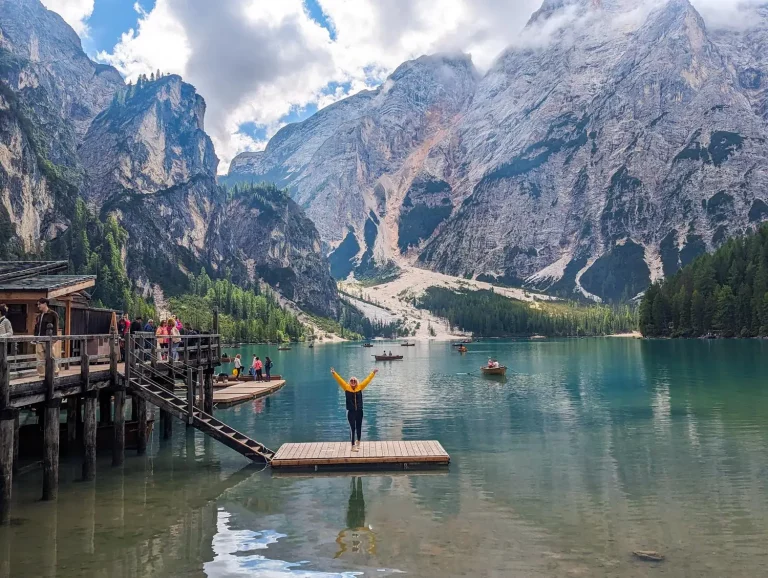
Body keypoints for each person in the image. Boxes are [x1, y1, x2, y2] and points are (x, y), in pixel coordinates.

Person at [331, 367, 378, 451]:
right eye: (351, 380)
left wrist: (373, 373)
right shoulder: (346, 387)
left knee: (359, 426)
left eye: (354, 381)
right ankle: (353, 446)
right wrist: (334, 373)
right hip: (351, 412)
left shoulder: (360, 387)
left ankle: (358, 442)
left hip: (360, 411)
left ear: (356, 382)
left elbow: (367, 380)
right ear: (349, 382)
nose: (353, 382)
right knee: (352, 428)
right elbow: (340, 380)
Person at [34, 298, 60, 376]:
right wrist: (35, 338)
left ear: (45, 304)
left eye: (39, 304)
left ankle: (55, 372)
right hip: (39, 339)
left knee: (51, 356)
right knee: (39, 359)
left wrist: (54, 339)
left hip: (48, 340)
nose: (38, 306)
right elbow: (36, 328)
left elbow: (55, 327)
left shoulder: (53, 314)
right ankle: (42, 374)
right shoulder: (39, 316)